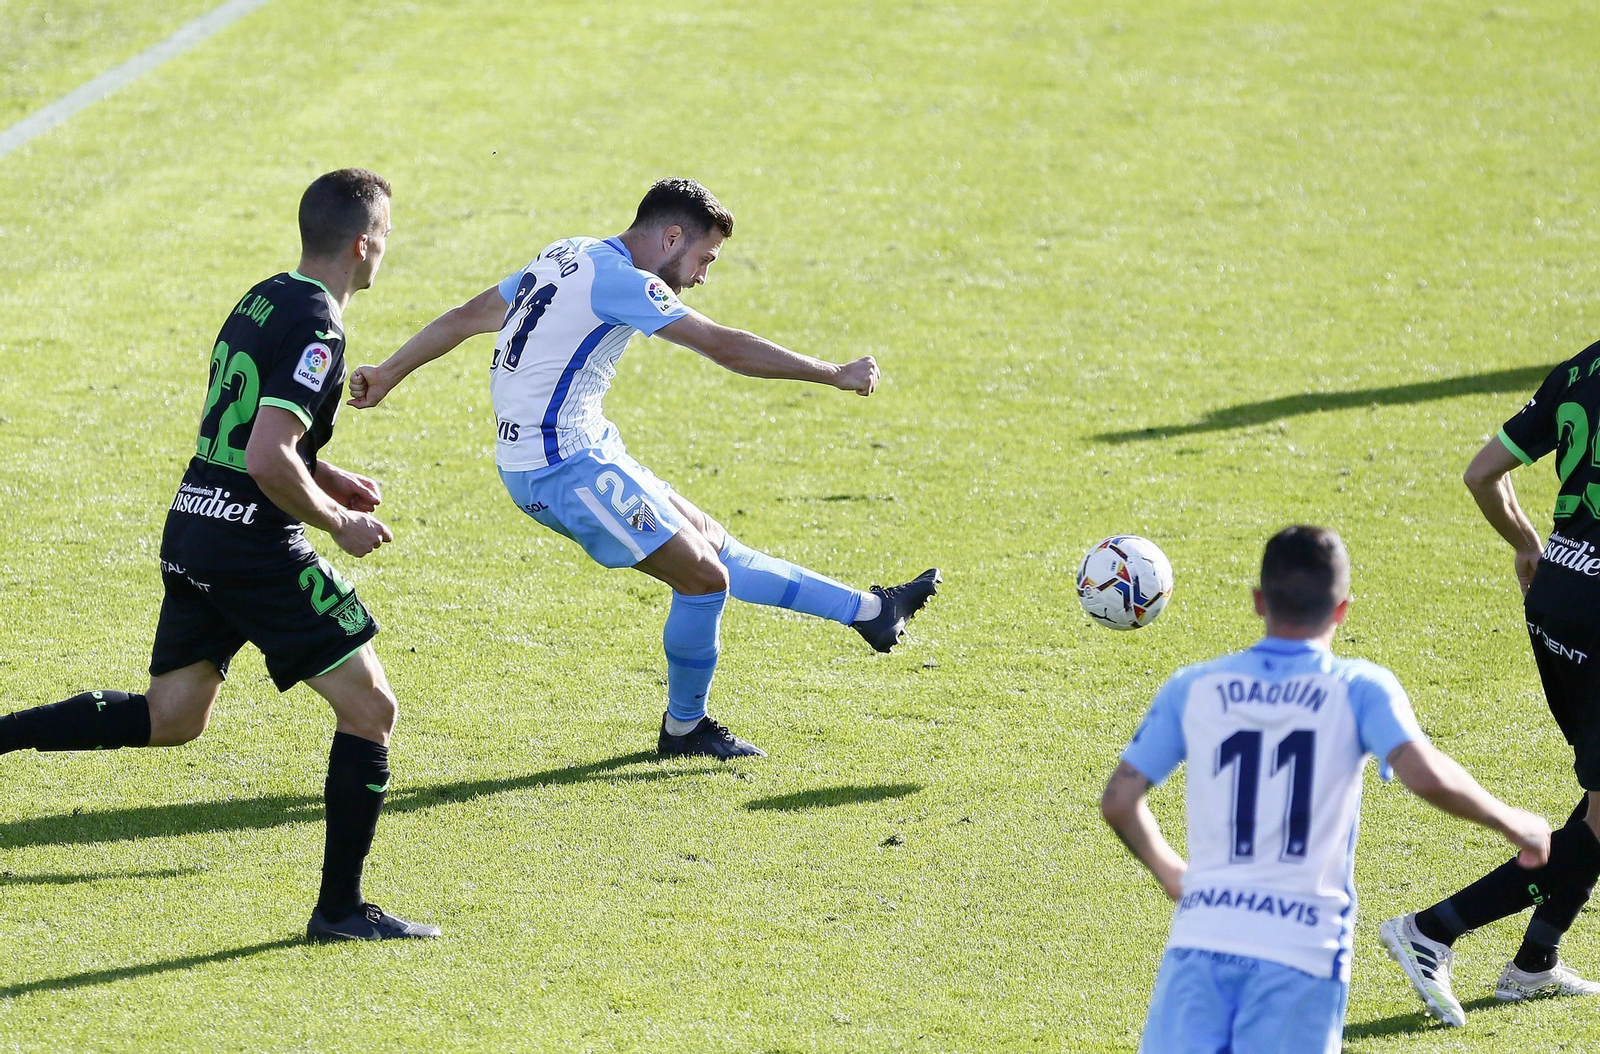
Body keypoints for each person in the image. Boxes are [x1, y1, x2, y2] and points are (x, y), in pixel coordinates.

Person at [344, 177, 939, 759]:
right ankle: (685, 728)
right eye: (704, 257)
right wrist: (833, 372)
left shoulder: (566, 254)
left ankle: (871, 612)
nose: (703, 275)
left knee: (715, 548)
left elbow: (466, 316)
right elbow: (724, 346)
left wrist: (390, 372)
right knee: (704, 578)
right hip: (559, 469)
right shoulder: (625, 281)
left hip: (582, 450)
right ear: (672, 236)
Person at [0, 169, 438, 942]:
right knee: (371, 709)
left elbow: (248, 435)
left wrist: (325, 470)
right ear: (364, 243)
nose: (387, 251)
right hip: (251, 544)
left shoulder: (264, 296)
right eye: (389, 236)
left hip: (195, 525)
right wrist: (335, 518)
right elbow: (269, 458)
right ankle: (339, 913)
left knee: (173, 718)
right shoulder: (320, 328)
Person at [1100, 526, 1549, 1053]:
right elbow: (1424, 774)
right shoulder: (1359, 688)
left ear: (1259, 602)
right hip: (1302, 950)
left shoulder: (1194, 686)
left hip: (1202, 941)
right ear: (1342, 610)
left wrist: (1174, 874)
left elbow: (1119, 801)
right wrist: (1513, 821)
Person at [1381, 344, 1600, 1023]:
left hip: (1560, 593)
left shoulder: (1581, 368)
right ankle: (1433, 929)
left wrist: (1528, 545)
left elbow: (1483, 474)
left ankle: (1534, 962)